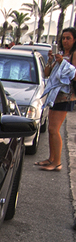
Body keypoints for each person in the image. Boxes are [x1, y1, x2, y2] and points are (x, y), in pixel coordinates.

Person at [37, 28, 76, 171]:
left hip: (65, 96)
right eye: (63, 38)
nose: (65, 41)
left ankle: (57, 162)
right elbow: (47, 73)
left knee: (54, 129)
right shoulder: (61, 55)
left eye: (68, 38)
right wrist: (51, 60)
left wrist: (63, 64)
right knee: (50, 129)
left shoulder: (73, 55)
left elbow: (74, 74)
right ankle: (51, 158)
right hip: (55, 96)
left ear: (74, 40)